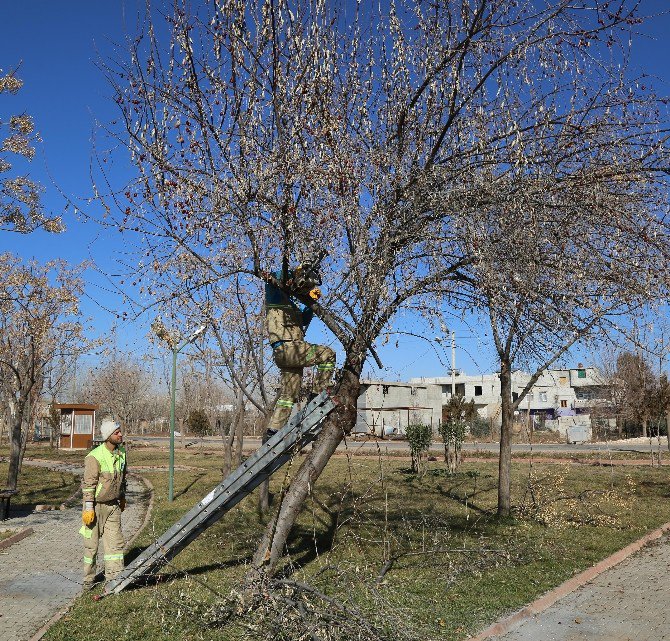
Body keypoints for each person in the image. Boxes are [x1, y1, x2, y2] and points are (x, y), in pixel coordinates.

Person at [265, 264, 336, 435]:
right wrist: (294, 272)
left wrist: (311, 302)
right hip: (289, 348)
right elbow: (272, 277)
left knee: (288, 395)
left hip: (289, 352)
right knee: (327, 355)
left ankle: (273, 431)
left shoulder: (293, 306)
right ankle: (317, 397)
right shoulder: (276, 295)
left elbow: (304, 319)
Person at [80, 418, 127, 590]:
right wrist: (88, 507)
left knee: (115, 544)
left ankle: (114, 578)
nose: (120, 434)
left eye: (119, 431)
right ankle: (88, 579)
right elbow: (88, 485)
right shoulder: (95, 457)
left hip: (113, 506)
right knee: (91, 546)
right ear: (108, 436)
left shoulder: (121, 454)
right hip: (96, 507)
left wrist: (122, 497)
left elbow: (123, 479)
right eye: (116, 433)